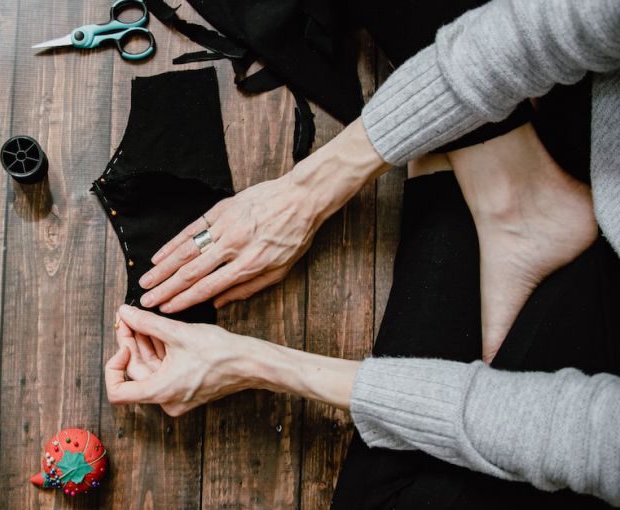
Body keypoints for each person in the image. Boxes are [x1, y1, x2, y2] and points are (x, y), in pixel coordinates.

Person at [104, 0, 620, 506]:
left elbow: (578, 437)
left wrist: (252, 363)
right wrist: (304, 193)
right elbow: (538, 28)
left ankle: (480, 169)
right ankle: (496, 180)